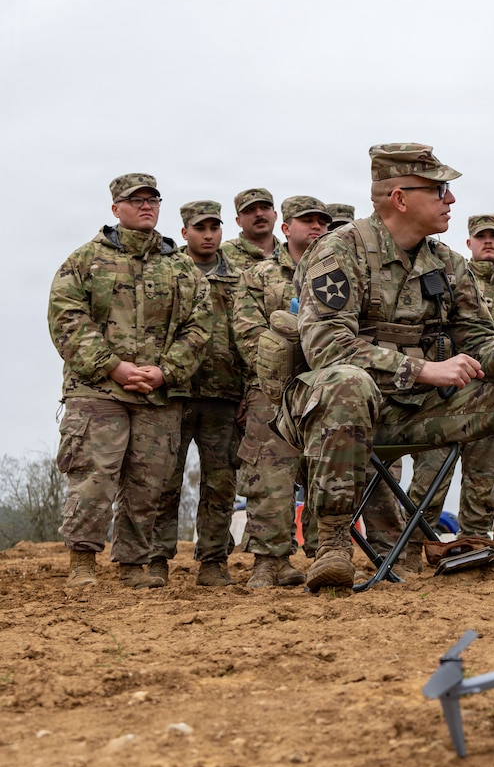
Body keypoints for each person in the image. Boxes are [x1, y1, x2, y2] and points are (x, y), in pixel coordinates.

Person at [280, 143, 494, 591]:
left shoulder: (448, 264)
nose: (450, 199)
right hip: (342, 413)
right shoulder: (339, 251)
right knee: (347, 381)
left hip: (417, 412)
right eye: (438, 190)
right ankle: (334, 543)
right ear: (400, 198)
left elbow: (479, 345)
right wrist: (423, 370)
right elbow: (326, 346)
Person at [48, 174, 211, 588]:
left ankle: (133, 565)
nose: (145, 206)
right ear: (115, 208)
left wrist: (166, 371)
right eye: (135, 200)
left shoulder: (182, 268)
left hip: (158, 394)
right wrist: (111, 366)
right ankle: (82, 561)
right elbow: (66, 317)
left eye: (152, 199)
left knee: (148, 483)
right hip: (97, 390)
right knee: (93, 476)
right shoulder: (85, 260)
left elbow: (199, 326)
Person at [408, 214, 494, 539]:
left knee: (483, 484)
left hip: (490, 398)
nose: (487, 241)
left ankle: (474, 544)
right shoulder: (446, 281)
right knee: (429, 481)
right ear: (469, 242)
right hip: (443, 395)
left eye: (493, 236)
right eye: (480, 236)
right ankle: (411, 548)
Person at [232, 195, 332, 587]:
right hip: (272, 388)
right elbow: (247, 332)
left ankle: (327, 555)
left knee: (328, 471)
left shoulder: (341, 271)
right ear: (286, 228)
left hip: (328, 385)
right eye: (308, 220)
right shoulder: (259, 275)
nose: (317, 226)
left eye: (322, 220)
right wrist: (285, 361)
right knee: (270, 474)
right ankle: (270, 561)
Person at [152, 200, 247, 586]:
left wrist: (248, 389)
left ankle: (213, 561)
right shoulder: (167, 271)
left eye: (214, 227)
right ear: (185, 231)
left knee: (220, 484)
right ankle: (156, 560)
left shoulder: (238, 278)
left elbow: (247, 336)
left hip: (224, 395)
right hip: (175, 394)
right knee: (164, 481)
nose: (208, 235)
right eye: (200, 228)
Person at [222, 188, 283, 270]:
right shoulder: (222, 254)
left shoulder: (289, 254)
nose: (259, 214)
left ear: (275, 215)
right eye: (250, 210)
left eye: (264, 208)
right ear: (238, 221)